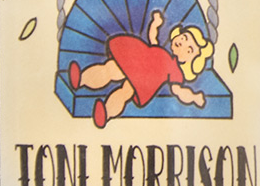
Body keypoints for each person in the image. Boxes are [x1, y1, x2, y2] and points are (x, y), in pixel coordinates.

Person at [68, 8, 213, 127]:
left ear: (189, 61)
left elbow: (178, 91)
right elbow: (153, 38)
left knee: (124, 93)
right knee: (110, 69)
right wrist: (156, 23)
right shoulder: (162, 50)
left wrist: (194, 97)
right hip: (136, 59)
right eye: (184, 37)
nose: (182, 43)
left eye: (189, 49)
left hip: (143, 79)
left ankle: (106, 113)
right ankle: (81, 79)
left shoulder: (175, 71)